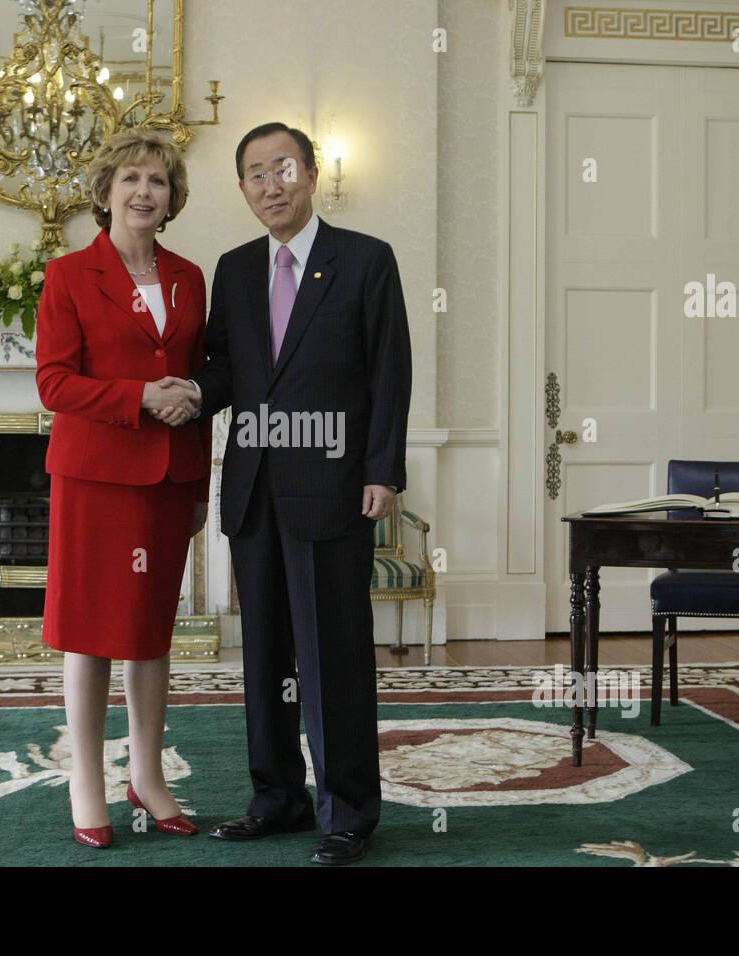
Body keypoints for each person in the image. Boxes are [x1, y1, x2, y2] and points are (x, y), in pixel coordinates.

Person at [154, 121, 412, 864]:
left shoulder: (365, 260)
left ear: (311, 172)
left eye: (283, 169)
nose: (271, 185)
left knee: (333, 656)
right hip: (255, 491)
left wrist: (383, 470)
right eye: (255, 174)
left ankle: (348, 812)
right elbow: (230, 367)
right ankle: (278, 797)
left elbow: (389, 371)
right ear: (242, 189)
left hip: (334, 489)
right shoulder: (234, 270)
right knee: (265, 655)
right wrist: (192, 394)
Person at [35, 126, 210, 849]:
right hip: (95, 478)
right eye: (132, 179)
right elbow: (53, 382)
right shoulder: (69, 275)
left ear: (172, 199)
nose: (145, 191)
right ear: (106, 192)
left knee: (149, 632)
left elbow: (200, 374)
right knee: (91, 632)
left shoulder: (190, 277)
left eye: (159, 181)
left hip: (169, 479)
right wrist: (140, 397)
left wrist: (199, 479)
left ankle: (148, 773)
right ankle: (86, 777)